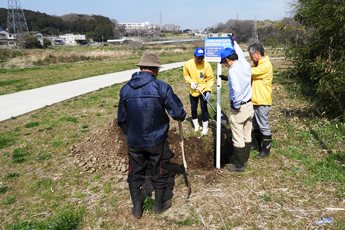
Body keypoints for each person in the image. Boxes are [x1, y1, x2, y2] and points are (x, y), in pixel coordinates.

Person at [117, 51, 186, 219]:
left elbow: (121, 119)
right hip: (157, 140)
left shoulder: (125, 89)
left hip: (134, 141)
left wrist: (131, 133)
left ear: (140, 68)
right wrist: (180, 115)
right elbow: (178, 113)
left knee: (135, 172)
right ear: (155, 70)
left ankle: (137, 208)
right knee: (160, 171)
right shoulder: (161, 87)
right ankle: (159, 206)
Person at [219, 37, 254, 172]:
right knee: (247, 133)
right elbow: (239, 52)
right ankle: (244, 159)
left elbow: (237, 91)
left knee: (238, 136)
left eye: (224, 62)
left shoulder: (233, 71)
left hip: (240, 107)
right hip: (249, 105)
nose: (224, 65)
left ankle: (238, 165)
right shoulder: (244, 63)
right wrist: (234, 42)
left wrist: (236, 105)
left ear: (228, 60)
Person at [247, 43, 273, 158]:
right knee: (255, 124)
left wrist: (238, 67)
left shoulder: (265, 65)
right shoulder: (258, 65)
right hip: (255, 100)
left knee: (263, 125)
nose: (250, 57)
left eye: (251, 55)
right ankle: (256, 144)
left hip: (262, 100)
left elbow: (250, 73)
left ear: (257, 53)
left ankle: (266, 149)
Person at [183, 47, 214, 135]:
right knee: (193, 108)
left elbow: (210, 79)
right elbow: (186, 75)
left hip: (203, 89)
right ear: (194, 56)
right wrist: (191, 82)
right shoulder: (188, 64)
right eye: (198, 57)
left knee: (204, 108)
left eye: (202, 57)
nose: (200, 59)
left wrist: (208, 90)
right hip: (193, 90)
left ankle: (205, 128)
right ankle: (196, 126)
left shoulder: (206, 65)